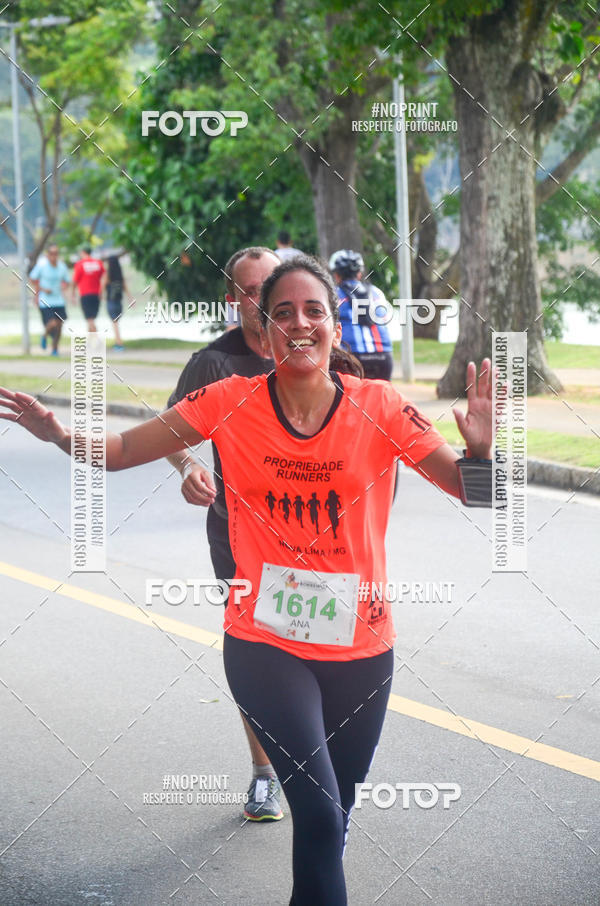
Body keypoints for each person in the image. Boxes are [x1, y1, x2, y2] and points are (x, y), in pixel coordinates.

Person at [0, 255, 492, 906]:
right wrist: (60, 434)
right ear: (263, 327)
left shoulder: (379, 405)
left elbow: (475, 492)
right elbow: (122, 451)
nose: (298, 324)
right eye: (281, 311)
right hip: (263, 641)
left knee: (329, 825)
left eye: (313, 310)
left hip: (363, 651)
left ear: (334, 327)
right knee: (316, 816)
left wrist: (484, 454)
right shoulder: (229, 401)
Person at [165, 245, 285, 822]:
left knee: (315, 646)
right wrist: (190, 465)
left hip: (310, 535)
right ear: (232, 296)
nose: (258, 300)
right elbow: (171, 431)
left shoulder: (313, 352)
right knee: (254, 651)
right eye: (247, 289)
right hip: (236, 533)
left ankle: (315, 760)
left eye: (268, 287)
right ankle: (265, 773)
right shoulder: (213, 363)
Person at [329, 248, 394, 381]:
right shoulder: (377, 292)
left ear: (336, 275)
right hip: (383, 357)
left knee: (349, 398)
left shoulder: (333, 295)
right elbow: (386, 318)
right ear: (359, 274)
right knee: (381, 399)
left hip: (352, 358)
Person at [30, 244, 70, 356]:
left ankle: (55, 349)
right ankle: (44, 335)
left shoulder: (62, 267)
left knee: (59, 325)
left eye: (56, 253)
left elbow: (67, 281)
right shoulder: (41, 266)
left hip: (59, 300)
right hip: (45, 300)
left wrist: (64, 287)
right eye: (51, 253)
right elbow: (33, 279)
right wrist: (41, 290)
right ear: (48, 255)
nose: (54, 256)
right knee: (52, 323)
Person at [72, 246, 105, 332]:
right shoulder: (98, 263)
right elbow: (105, 277)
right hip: (96, 294)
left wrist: (72, 294)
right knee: (91, 319)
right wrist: (102, 291)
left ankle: (96, 340)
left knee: (90, 320)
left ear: (82, 252)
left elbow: (75, 280)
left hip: (85, 294)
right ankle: (90, 342)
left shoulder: (80, 264)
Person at [105, 254, 134, 350]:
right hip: (119, 302)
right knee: (116, 322)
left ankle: (119, 343)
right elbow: (126, 289)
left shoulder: (108, 275)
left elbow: (102, 286)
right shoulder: (120, 276)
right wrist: (131, 299)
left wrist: (100, 296)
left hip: (111, 301)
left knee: (114, 323)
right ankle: (118, 342)